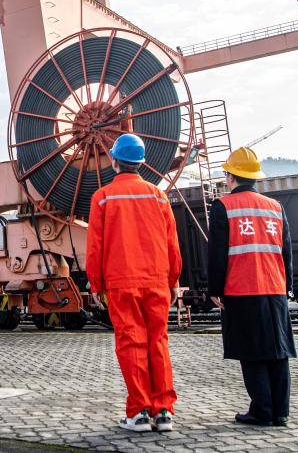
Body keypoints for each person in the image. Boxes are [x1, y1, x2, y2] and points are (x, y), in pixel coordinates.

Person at [87, 133, 182, 433]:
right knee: (158, 342)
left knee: (131, 343)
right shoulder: (159, 196)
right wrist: (173, 280)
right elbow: (172, 243)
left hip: (121, 282)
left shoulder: (103, 197)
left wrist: (95, 284)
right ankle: (164, 411)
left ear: (115, 161)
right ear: (141, 162)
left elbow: (95, 247)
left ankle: (139, 412)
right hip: (156, 281)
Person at [207, 146, 295, 427]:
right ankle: (280, 412)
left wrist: (215, 289)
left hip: (241, 289)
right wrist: (287, 286)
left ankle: (262, 411)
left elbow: (217, 253)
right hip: (275, 287)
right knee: (278, 350)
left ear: (231, 177)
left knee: (252, 351)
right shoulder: (275, 207)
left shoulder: (223, 206)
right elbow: (286, 252)